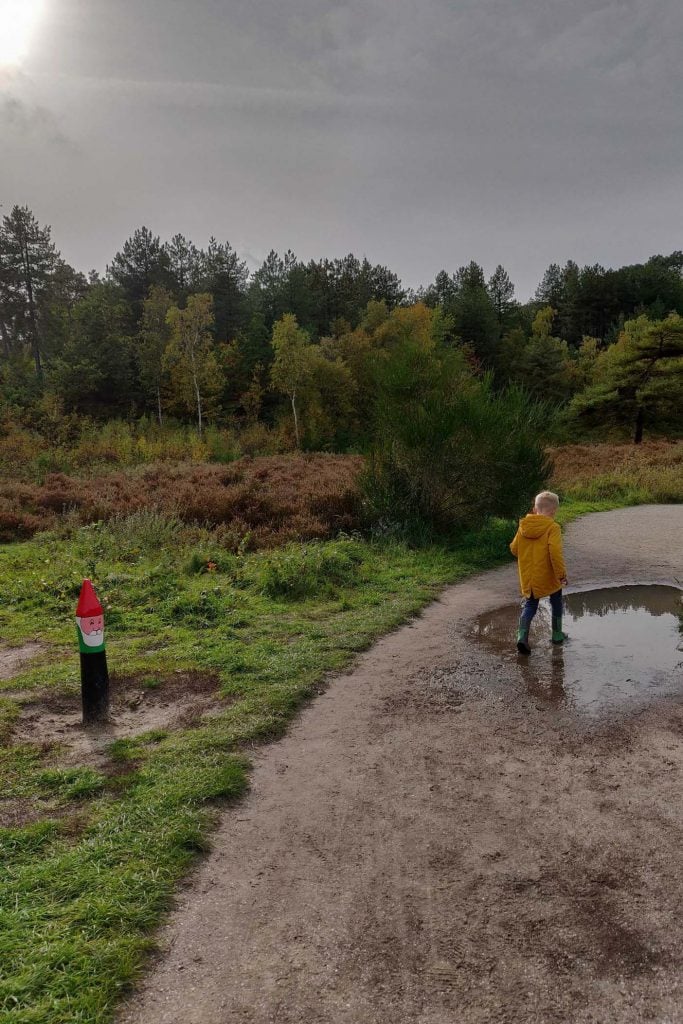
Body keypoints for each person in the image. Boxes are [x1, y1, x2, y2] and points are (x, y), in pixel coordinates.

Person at [510, 490, 568, 655]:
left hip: (528, 576)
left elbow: (514, 549)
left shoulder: (523, 526)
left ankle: (522, 636)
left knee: (530, 605)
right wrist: (561, 575)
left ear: (535, 509)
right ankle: (557, 635)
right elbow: (555, 553)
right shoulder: (553, 527)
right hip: (548, 575)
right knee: (556, 600)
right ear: (553, 511)